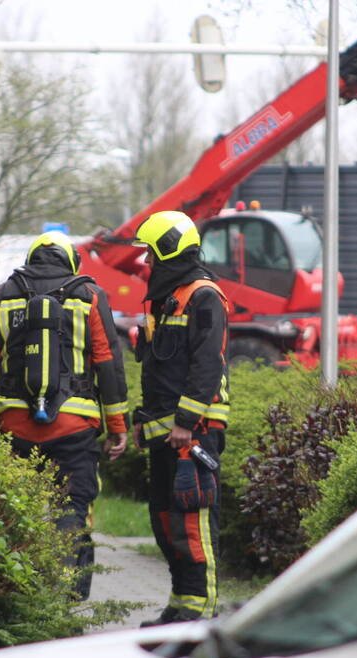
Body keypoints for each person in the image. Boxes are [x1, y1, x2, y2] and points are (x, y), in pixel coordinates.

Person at [0, 231, 129, 599]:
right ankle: (67, 596)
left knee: (12, 510)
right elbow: (107, 363)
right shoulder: (90, 296)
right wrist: (118, 426)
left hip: (12, 426)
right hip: (74, 425)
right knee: (72, 507)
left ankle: (14, 597)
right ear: (71, 261)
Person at [131, 210, 230, 626]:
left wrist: (187, 421)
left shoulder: (205, 296)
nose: (145, 265)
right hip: (166, 432)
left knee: (192, 520)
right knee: (165, 519)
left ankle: (202, 615)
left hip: (195, 433)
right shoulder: (165, 298)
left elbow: (207, 365)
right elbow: (159, 368)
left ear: (168, 250)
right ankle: (181, 604)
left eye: (150, 256)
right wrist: (144, 419)